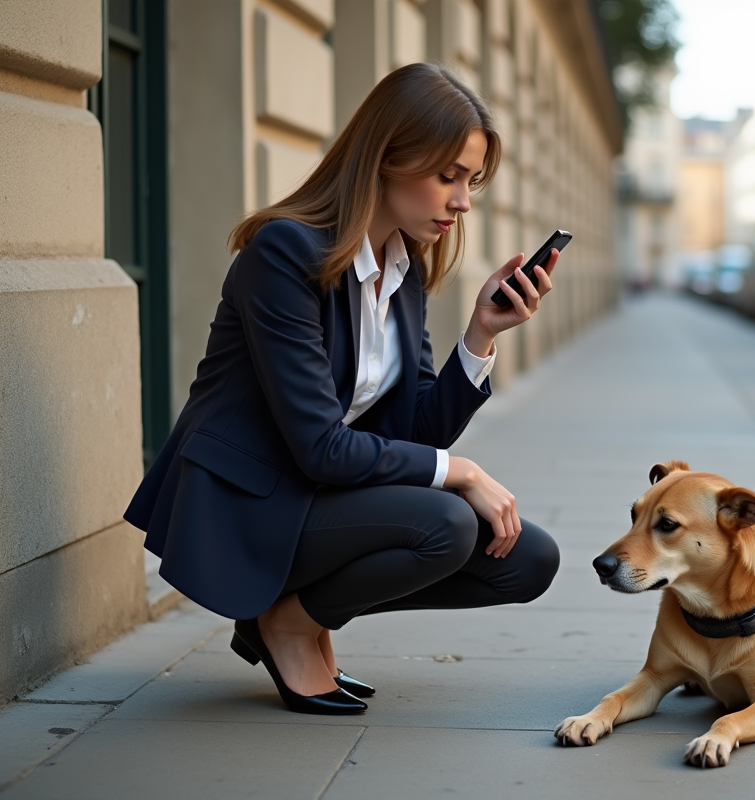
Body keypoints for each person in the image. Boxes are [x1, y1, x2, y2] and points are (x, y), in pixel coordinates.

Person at [124, 63, 561, 715]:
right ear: (386, 157)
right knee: (445, 522)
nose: (463, 201)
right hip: (250, 504)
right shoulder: (282, 255)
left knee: (527, 558)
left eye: (470, 181)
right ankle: (290, 626)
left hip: (322, 496)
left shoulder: (401, 271)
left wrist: (478, 337)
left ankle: (290, 611)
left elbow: (414, 434)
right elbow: (321, 446)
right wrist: (461, 471)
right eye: (448, 176)